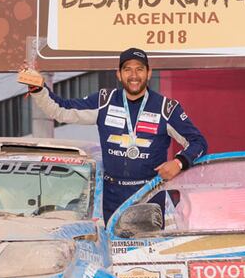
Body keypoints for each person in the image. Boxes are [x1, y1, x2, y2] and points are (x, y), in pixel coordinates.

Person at [19, 47, 207, 219]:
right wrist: (39, 89)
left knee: (147, 245)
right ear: (119, 74)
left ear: (149, 73)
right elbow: (61, 109)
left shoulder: (166, 108)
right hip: (111, 197)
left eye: (139, 69)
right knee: (110, 245)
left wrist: (179, 162)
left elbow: (198, 142)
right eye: (127, 70)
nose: (134, 75)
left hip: (150, 194)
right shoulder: (105, 101)